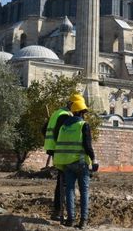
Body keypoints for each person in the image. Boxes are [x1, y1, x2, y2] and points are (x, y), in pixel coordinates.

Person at [53, 98, 98, 229]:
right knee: (84, 191)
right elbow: (87, 145)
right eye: (84, 112)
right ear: (81, 112)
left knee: (70, 191)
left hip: (67, 163)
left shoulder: (64, 127)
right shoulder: (83, 125)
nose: (84, 114)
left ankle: (70, 220)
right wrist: (94, 159)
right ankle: (83, 220)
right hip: (81, 163)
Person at [44, 92, 85, 220]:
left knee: (62, 182)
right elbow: (59, 133)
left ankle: (58, 211)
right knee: (62, 183)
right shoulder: (65, 116)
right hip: (61, 152)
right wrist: (61, 147)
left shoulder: (58, 113)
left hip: (55, 149)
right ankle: (58, 212)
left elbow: (44, 129)